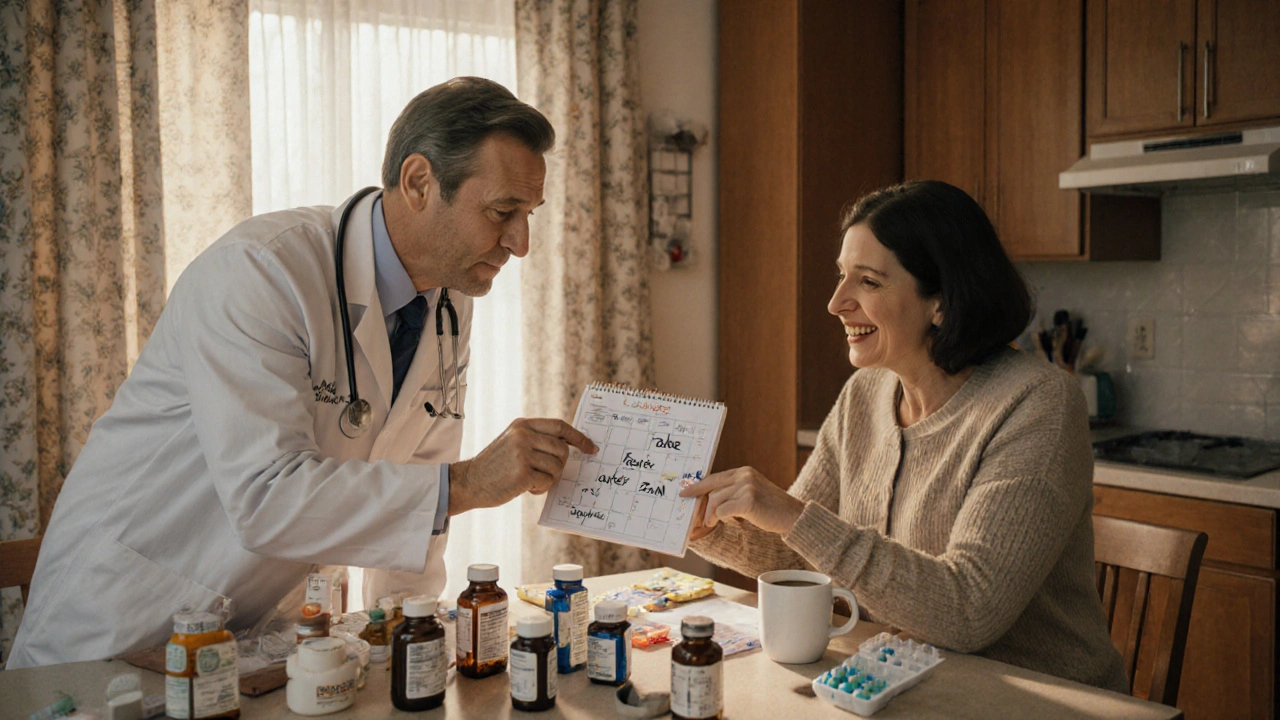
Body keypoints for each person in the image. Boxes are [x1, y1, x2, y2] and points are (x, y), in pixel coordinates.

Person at [7, 77, 596, 668]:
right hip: (121, 618)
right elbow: (267, 494)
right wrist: (469, 483)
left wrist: (408, 626)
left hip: (255, 630)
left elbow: (419, 460)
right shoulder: (262, 272)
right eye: (502, 212)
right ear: (419, 182)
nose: (520, 244)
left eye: (528, 215)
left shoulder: (448, 300)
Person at [680, 180, 1128, 692]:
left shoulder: (1038, 402)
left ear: (941, 300)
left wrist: (792, 514)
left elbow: (967, 611)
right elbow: (802, 555)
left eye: (868, 282)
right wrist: (708, 529)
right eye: (841, 276)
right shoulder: (864, 396)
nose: (836, 303)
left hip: (1040, 699)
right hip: (905, 687)